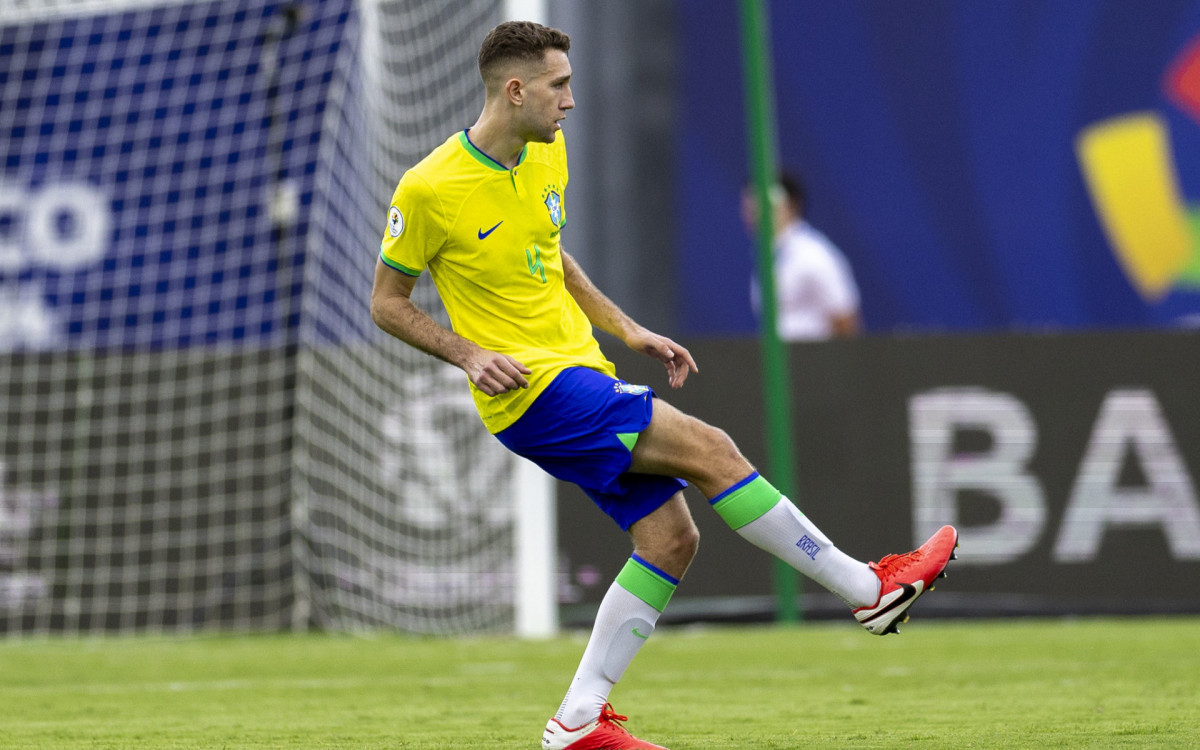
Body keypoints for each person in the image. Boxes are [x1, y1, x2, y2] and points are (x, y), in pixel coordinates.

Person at [370, 21, 957, 750]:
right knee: (713, 447)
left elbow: (552, 255)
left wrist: (628, 330)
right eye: (558, 86)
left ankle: (577, 721)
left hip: (579, 370)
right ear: (515, 90)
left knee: (671, 539)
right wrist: (466, 353)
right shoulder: (429, 187)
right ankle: (870, 592)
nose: (572, 101)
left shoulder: (544, 157)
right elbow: (387, 304)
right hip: (531, 392)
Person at [742, 172, 862, 340]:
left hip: (814, 360)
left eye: (763, 206)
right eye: (750, 207)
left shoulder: (812, 254)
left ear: (790, 206)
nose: (754, 215)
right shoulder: (770, 255)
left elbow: (845, 317)